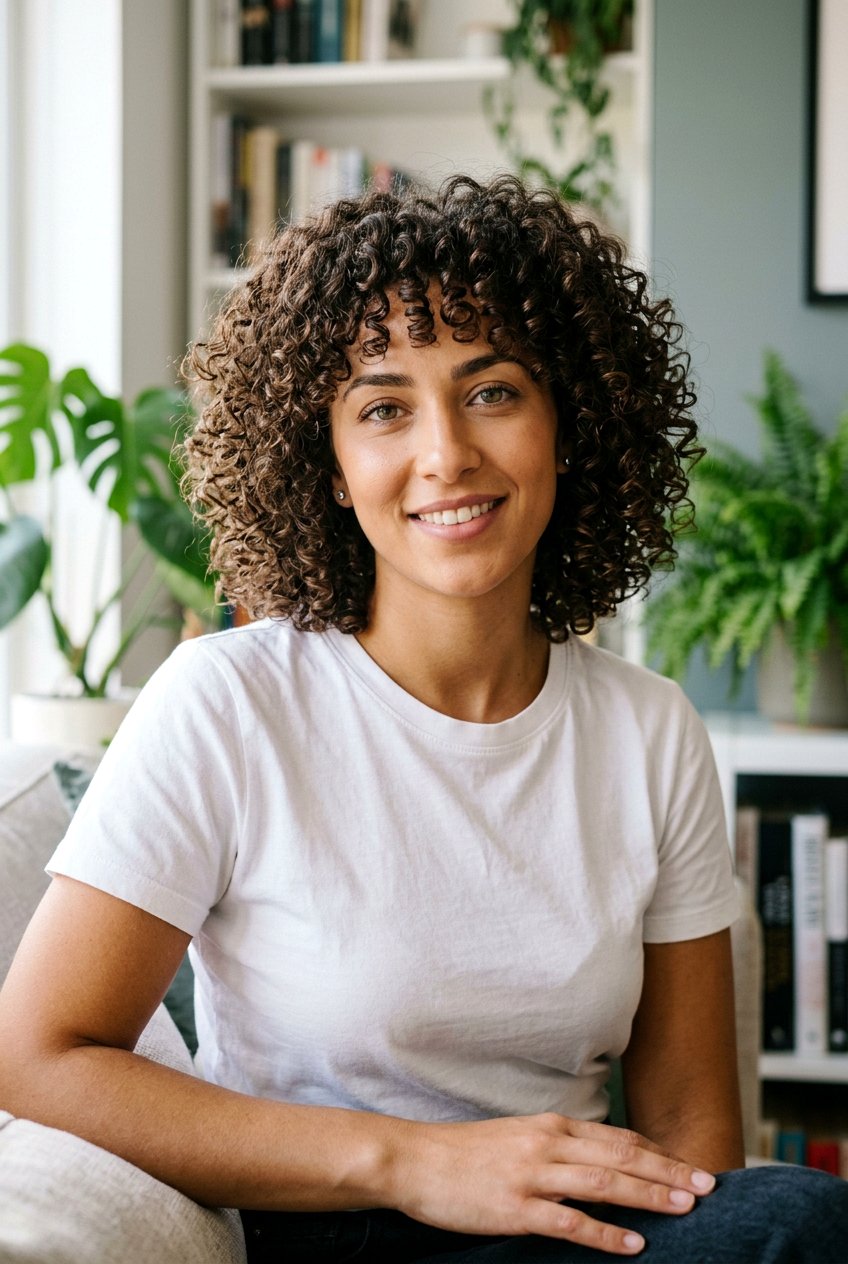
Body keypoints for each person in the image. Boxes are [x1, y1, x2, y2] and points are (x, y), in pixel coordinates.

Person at [0, 174, 845, 1263]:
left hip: (573, 1236)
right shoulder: (228, 703)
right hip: (330, 1231)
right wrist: (413, 1161)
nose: (446, 453)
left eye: (491, 391)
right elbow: (36, 1055)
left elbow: (691, 1139)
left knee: (796, 1218)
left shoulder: (650, 730)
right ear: (329, 466)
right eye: (384, 407)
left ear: (569, 423)